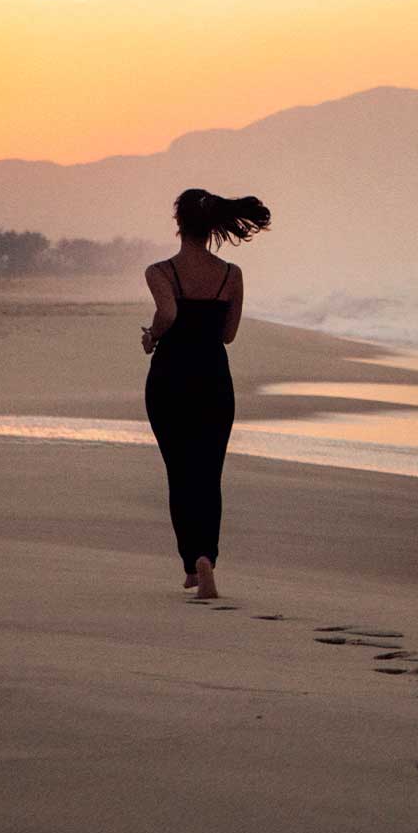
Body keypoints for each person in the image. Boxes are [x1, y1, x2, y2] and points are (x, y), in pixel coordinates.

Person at [141, 188, 272, 600]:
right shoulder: (231, 275)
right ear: (213, 225)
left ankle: (191, 562)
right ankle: (207, 559)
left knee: (179, 472)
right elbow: (228, 335)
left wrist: (152, 337)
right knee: (208, 472)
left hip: (170, 378)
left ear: (179, 224)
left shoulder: (161, 271)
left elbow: (168, 313)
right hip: (213, 377)